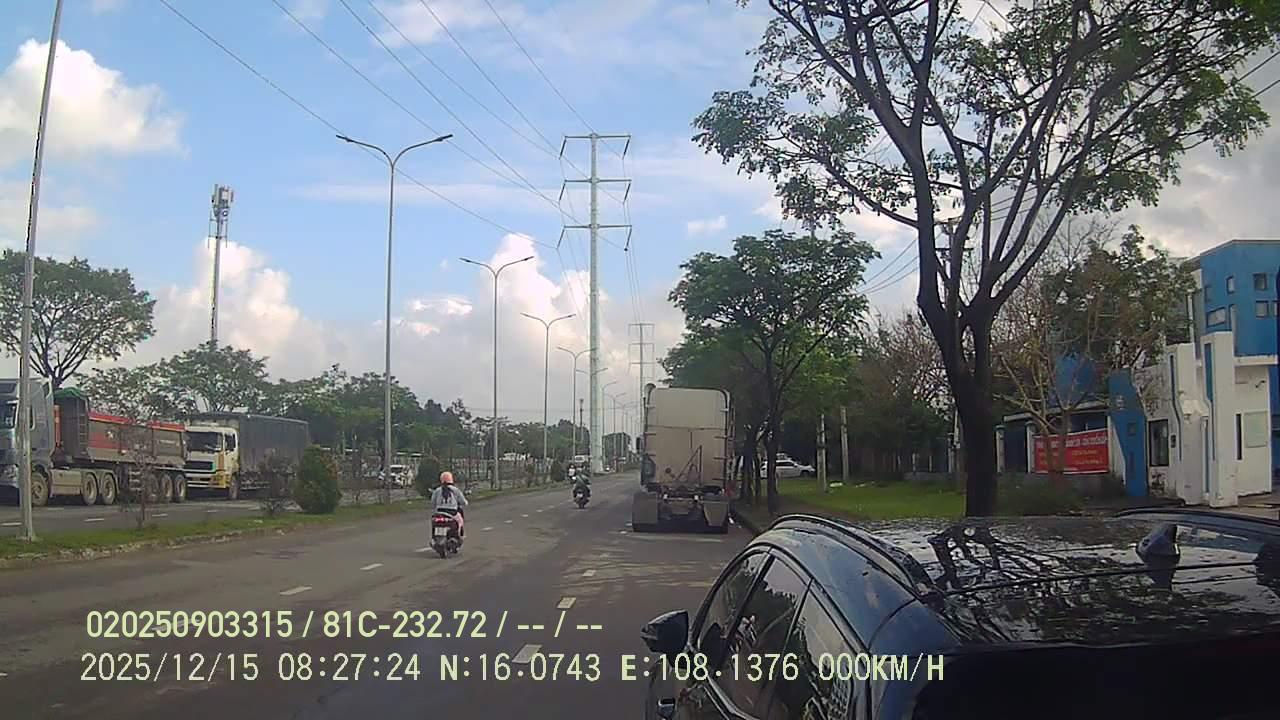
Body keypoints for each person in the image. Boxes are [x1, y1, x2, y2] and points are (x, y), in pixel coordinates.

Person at [431, 471, 468, 537]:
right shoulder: (455, 490)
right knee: (460, 521)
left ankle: (434, 537)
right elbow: (463, 501)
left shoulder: (437, 490)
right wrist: (465, 503)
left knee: (434, 522)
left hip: (439, 512)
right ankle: (459, 535)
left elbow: (433, 502)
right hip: (452, 513)